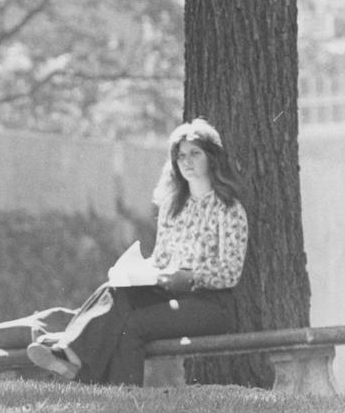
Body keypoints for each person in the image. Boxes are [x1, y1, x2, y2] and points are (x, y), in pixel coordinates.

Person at [27, 118, 248, 385]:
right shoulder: (173, 207)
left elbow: (231, 272)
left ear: (212, 158)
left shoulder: (228, 209)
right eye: (180, 156)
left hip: (211, 305)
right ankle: (70, 355)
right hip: (170, 295)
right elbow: (162, 259)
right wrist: (140, 272)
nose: (187, 161)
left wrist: (190, 277)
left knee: (133, 325)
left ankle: (114, 396)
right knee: (114, 291)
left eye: (195, 154)